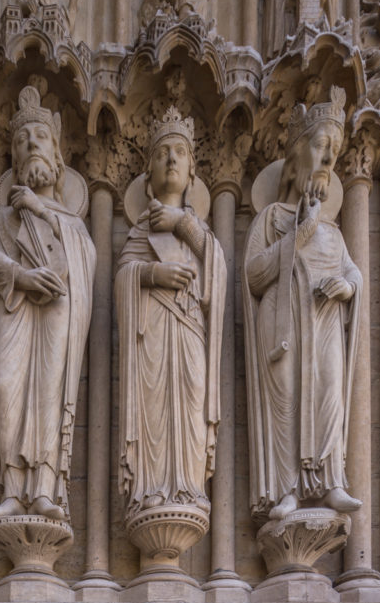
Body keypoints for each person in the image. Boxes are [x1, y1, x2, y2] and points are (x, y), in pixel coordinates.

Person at [243, 87, 363, 521]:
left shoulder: (334, 232)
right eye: (320, 146)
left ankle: (330, 483)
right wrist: (302, 232)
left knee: (330, 392)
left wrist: (347, 289)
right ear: (295, 160)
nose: (329, 158)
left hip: (326, 327)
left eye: (334, 149)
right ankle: (287, 489)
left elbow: (354, 273)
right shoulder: (270, 219)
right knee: (287, 402)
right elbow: (254, 275)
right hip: (283, 330)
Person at [0, 86, 94, 522]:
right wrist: (24, 277)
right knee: (5, 385)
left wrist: (42, 210)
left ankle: (45, 487)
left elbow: (84, 258)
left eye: (40, 137)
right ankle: (13, 488)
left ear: (56, 154)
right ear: (13, 157)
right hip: (16, 307)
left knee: (49, 391)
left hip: (57, 312)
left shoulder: (69, 218)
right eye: (22, 138)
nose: (31, 142)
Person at [115, 107, 225, 518]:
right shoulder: (139, 230)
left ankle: (190, 486)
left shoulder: (198, 229)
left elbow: (218, 274)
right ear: (147, 175)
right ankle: (153, 489)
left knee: (192, 403)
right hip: (152, 333)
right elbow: (122, 276)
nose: (172, 159)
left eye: (180, 151)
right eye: (163, 153)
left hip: (190, 331)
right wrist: (152, 273)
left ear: (193, 172)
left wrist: (183, 224)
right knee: (154, 411)